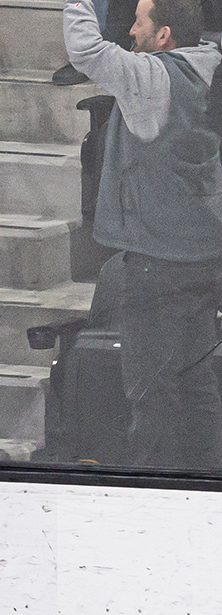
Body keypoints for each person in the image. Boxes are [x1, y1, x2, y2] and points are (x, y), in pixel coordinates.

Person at [64, 0, 222, 470]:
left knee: (152, 392)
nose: (130, 31)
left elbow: (86, 49)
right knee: (196, 385)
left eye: (139, 22)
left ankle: (154, 490)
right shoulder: (211, 67)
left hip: (157, 263)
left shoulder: (153, 78)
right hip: (204, 256)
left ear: (164, 35)